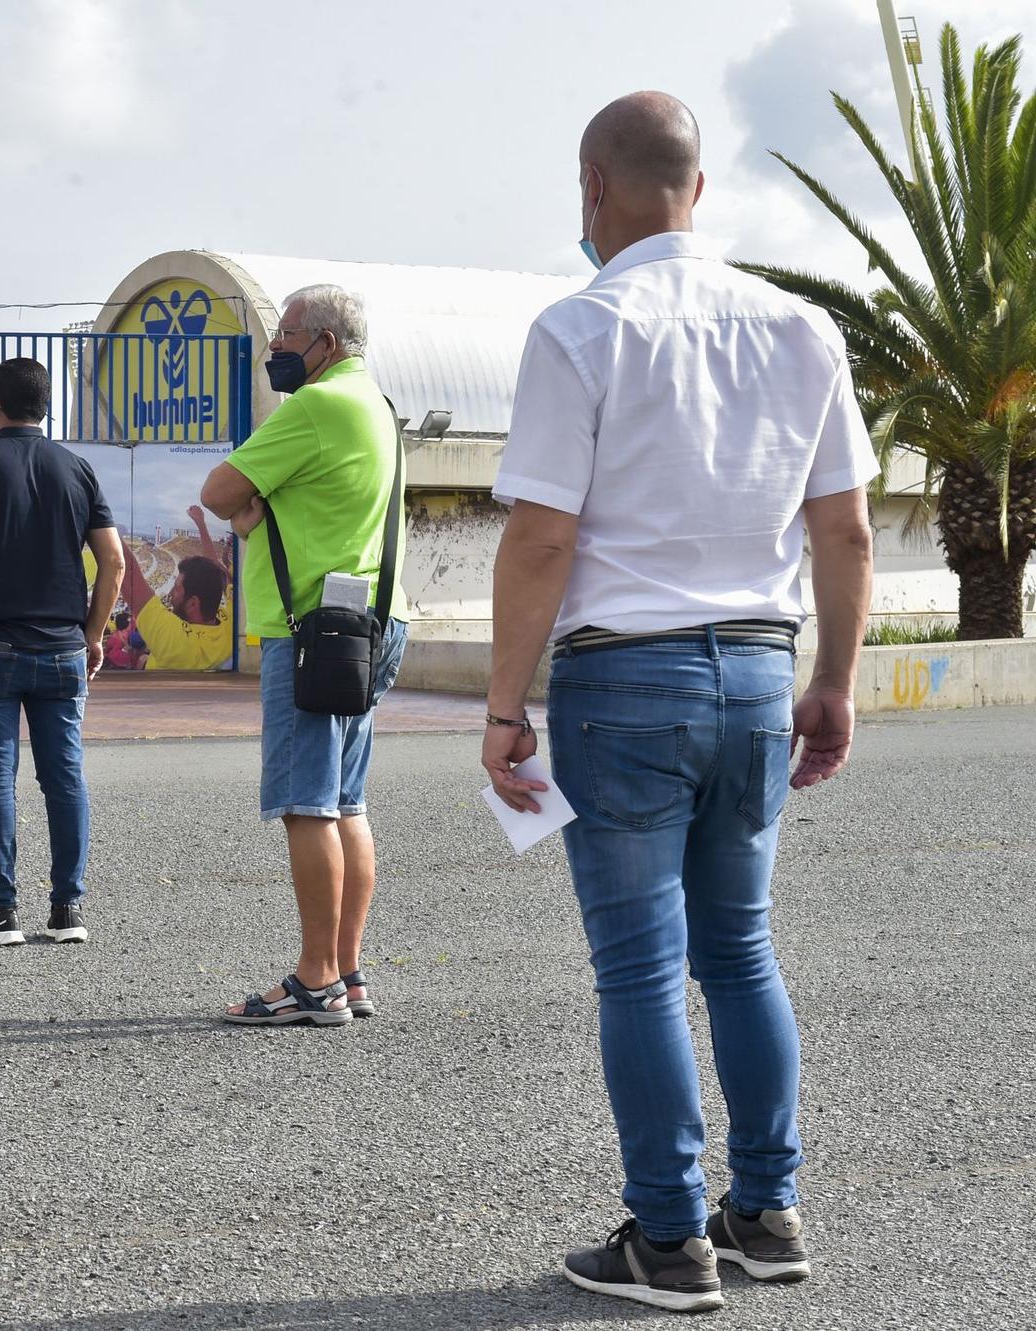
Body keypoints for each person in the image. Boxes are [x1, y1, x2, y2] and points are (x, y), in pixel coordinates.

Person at [482, 92, 877, 1314]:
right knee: (741, 948)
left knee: (641, 972)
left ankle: (666, 1237)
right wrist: (832, 683)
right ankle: (763, 1210)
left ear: (591, 190)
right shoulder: (802, 326)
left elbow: (541, 537)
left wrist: (503, 704)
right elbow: (846, 528)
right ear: (696, 188)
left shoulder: (577, 327)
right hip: (760, 668)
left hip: (624, 681)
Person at [199, 283, 408, 1027]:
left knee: (305, 803)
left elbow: (219, 487)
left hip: (313, 629)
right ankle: (347, 972)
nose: (275, 347)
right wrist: (266, 513)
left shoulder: (315, 407)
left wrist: (253, 512)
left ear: (324, 340)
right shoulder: (377, 406)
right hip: (371, 623)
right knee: (347, 800)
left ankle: (314, 980)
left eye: (286, 333)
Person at [0, 357, 123, 946]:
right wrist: (92, 635)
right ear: (45, 408)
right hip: (63, 648)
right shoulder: (77, 468)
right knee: (64, 777)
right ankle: (67, 911)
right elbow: (113, 562)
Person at [119, 504, 234, 671]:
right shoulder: (231, 623)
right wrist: (201, 524)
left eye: (177, 588)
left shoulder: (176, 639)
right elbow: (216, 570)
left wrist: (98, 518)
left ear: (194, 603)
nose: (171, 593)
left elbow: (127, 572)